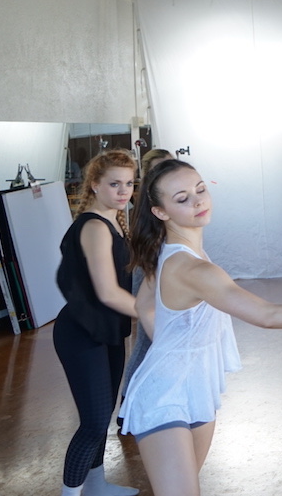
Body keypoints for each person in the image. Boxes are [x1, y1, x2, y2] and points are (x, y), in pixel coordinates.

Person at [121, 159, 282, 496]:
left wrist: (175, 346)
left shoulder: (173, 254)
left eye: (200, 189)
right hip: (164, 396)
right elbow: (267, 315)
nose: (199, 201)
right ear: (160, 211)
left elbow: (144, 306)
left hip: (196, 390)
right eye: (182, 198)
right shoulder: (190, 267)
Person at [53, 150, 141, 496]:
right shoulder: (94, 227)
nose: (124, 191)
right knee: (93, 422)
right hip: (81, 332)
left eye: (130, 184)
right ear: (94, 185)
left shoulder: (114, 223)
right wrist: (153, 314)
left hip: (106, 331)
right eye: (115, 184)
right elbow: (107, 292)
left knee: (101, 416)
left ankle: (95, 485)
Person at [120, 149, 175, 410]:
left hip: (166, 270)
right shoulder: (144, 206)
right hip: (149, 269)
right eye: (160, 168)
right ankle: (128, 403)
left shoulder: (171, 200)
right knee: (145, 340)